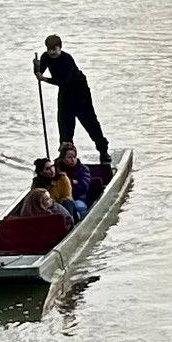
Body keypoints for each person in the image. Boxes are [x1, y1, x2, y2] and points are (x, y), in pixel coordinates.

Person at [34, 33, 109, 161]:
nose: (51, 52)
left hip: (80, 92)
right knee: (64, 124)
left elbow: (63, 81)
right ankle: (65, 156)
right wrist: (36, 68)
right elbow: (39, 71)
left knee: (89, 122)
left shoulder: (67, 59)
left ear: (60, 48)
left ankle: (103, 151)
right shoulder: (45, 57)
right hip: (65, 93)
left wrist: (45, 79)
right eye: (49, 49)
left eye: (54, 49)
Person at [35, 156, 86, 222]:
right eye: (47, 169)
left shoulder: (62, 178)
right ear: (41, 173)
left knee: (68, 202)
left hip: (63, 206)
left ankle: (69, 222)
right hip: (46, 208)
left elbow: (66, 196)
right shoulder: (37, 183)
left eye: (52, 166)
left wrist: (53, 204)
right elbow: (35, 199)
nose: (52, 170)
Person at [56, 141, 94, 208]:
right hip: (59, 200)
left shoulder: (83, 169)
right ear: (63, 158)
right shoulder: (56, 169)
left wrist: (67, 183)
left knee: (79, 207)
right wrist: (72, 182)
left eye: (74, 156)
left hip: (78, 199)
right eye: (69, 157)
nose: (73, 160)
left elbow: (83, 187)